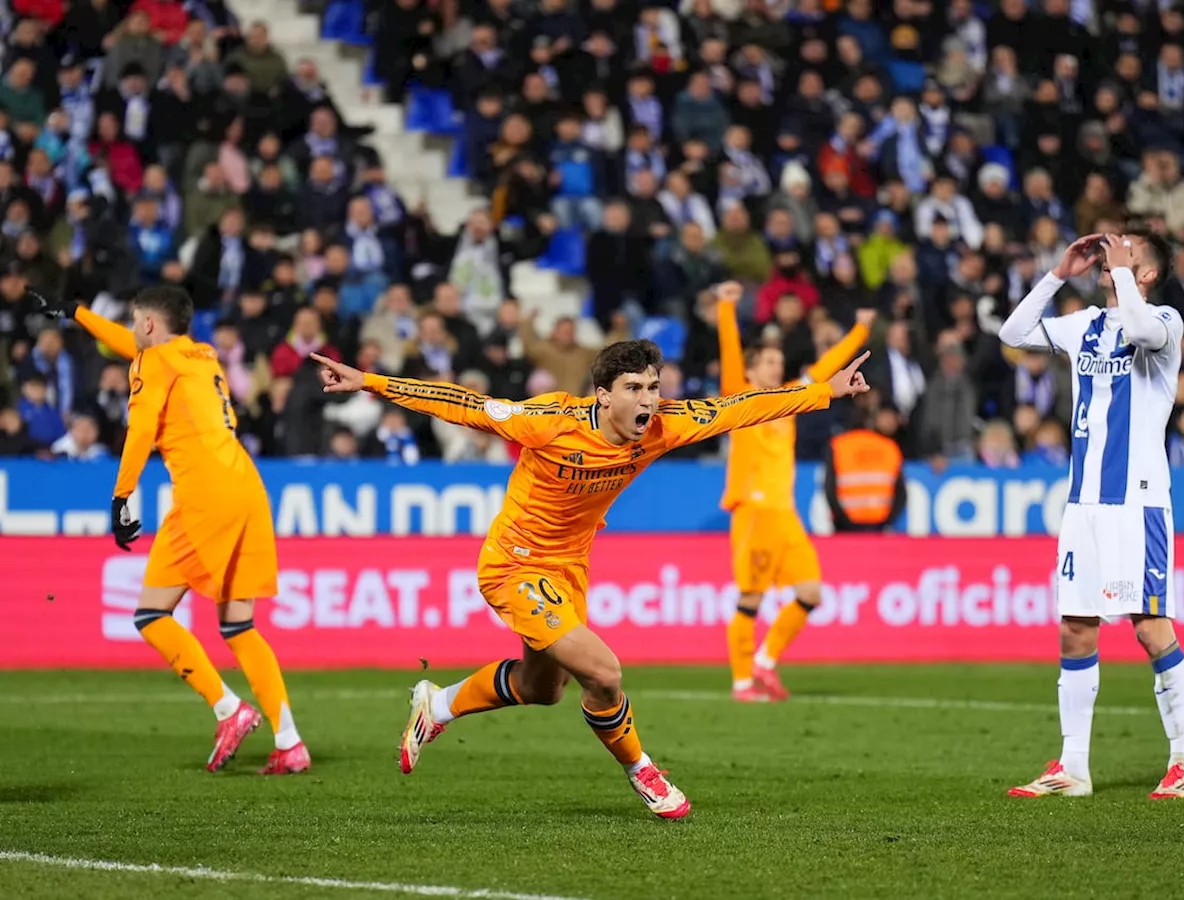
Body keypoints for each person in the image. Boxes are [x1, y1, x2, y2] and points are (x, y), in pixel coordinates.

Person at [309, 287, 872, 820]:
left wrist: (823, 392)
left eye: (653, 387)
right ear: (604, 396)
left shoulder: (666, 426)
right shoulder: (550, 420)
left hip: (569, 567)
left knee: (542, 689)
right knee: (604, 674)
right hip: (514, 563)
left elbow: (742, 406)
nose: (648, 400)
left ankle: (438, 704)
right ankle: (643, 770)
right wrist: (369, 381)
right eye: (634, 389)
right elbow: (464, 404)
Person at [30, 287, 309, 776]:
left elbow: (139, 430)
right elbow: (131, 344)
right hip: (247, 486)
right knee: (239, 625)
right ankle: (290, 743)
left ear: (150, 326)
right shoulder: (200, 355)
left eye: (136, 322)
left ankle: (229, 709)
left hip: (204, 495)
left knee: (150, 614)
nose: (134, 331)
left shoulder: (154, 363)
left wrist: (121, 496)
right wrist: (77, 313)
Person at [997, 232, 1184, 800]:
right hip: (1083, 503)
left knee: (1151, 628)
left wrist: (1123, 273)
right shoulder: (1084, 323)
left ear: (1148, 272)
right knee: (1075, 630)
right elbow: (1012, 333)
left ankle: (1182, 764)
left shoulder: (1163, 321)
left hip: (1137, 501)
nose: (1112, 257)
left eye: (1128, 252)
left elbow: (1136, 328)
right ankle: (1074, 768)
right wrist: (1057, 274)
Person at [716, 285, 873, 702]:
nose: (775, 367)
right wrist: (727, 306)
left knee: (810, 593)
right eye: (767, 361)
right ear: (750, 370)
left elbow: (824, 370)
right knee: (750, 598)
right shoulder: (739, 399)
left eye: (778, 361)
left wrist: (859, 330)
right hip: (753, 510)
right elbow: (731, 354)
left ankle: (765, 662)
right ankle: (742, 683)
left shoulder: (788, 399)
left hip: (785, 514)